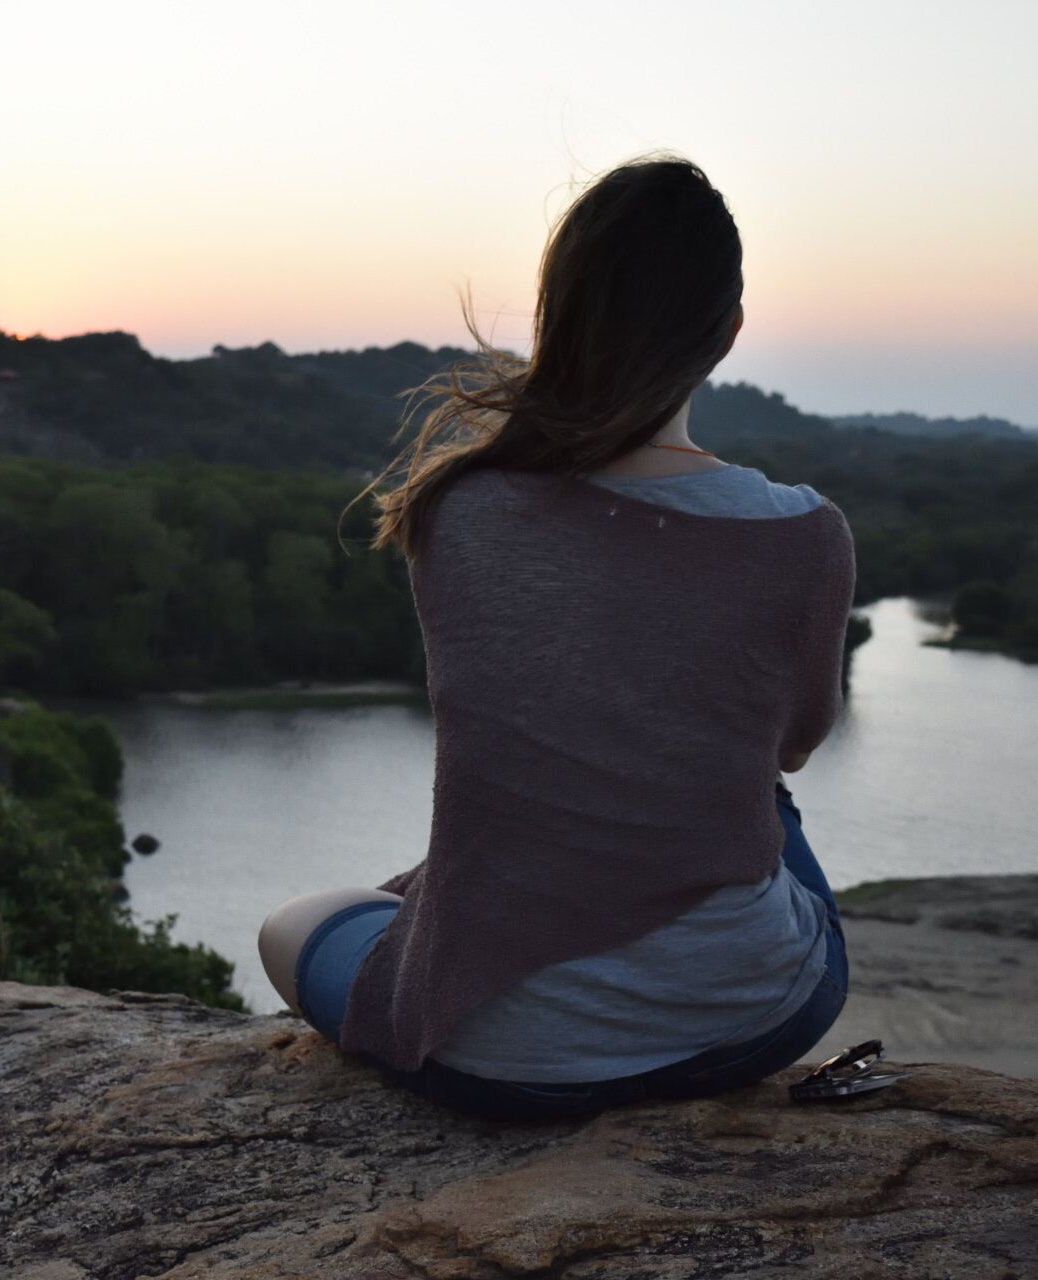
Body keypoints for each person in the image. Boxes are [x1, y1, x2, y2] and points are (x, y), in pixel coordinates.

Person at [259, 157, 855, 1120]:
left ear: (558, 311)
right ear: (729, 334)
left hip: (496, 1056)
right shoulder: (805, 534)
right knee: (761, 788)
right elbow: (793, 744)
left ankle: (458, 932)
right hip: (750, 1019)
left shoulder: (459, 509)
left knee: (291, 926)